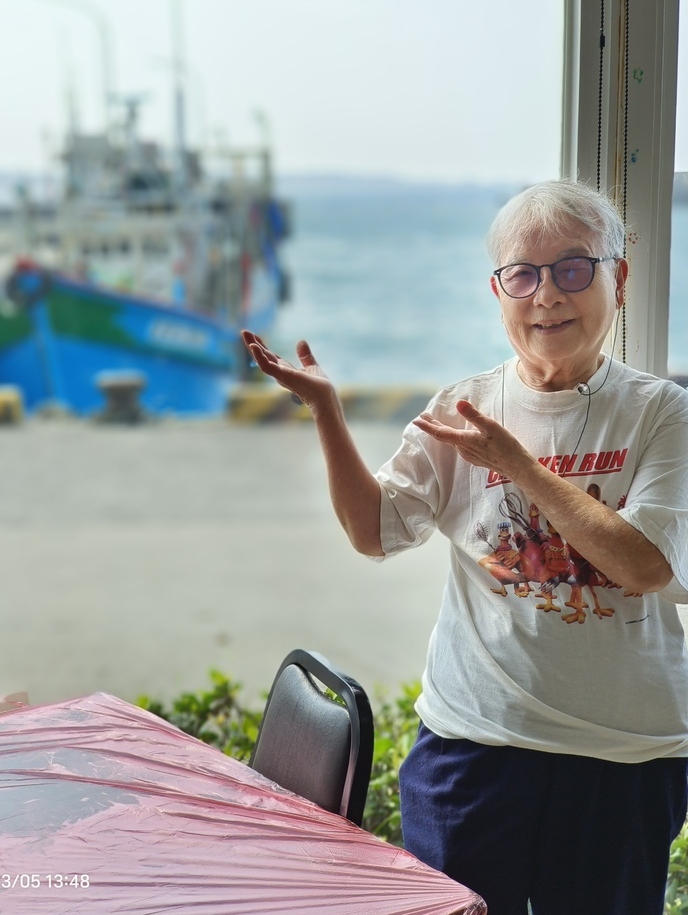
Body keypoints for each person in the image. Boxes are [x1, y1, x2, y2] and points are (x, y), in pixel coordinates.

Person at [241, 179, 688, 915]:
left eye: (574, 268)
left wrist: (517, 465)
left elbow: (645, 564)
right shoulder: (463, 408)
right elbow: (373, 530)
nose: (547, 295)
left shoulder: (660, 412)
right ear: (499, 289)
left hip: (623, 754)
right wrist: (326, 411)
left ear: (620, 276)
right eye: (524, 273)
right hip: (473, 744)